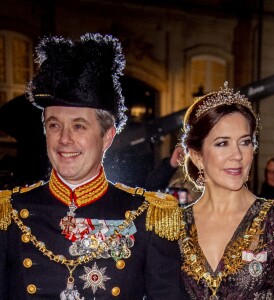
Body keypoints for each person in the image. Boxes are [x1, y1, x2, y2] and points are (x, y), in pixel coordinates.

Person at [0, 33, 188, 299]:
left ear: (107, 136)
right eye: (54, 125)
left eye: (79, 125)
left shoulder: (147, 216)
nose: (64, 139)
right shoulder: (9, 214)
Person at [176, 82, 274, 299]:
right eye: (222, 143)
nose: (237, 155)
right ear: (197, 156)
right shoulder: (173, 226)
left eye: (245, 142)